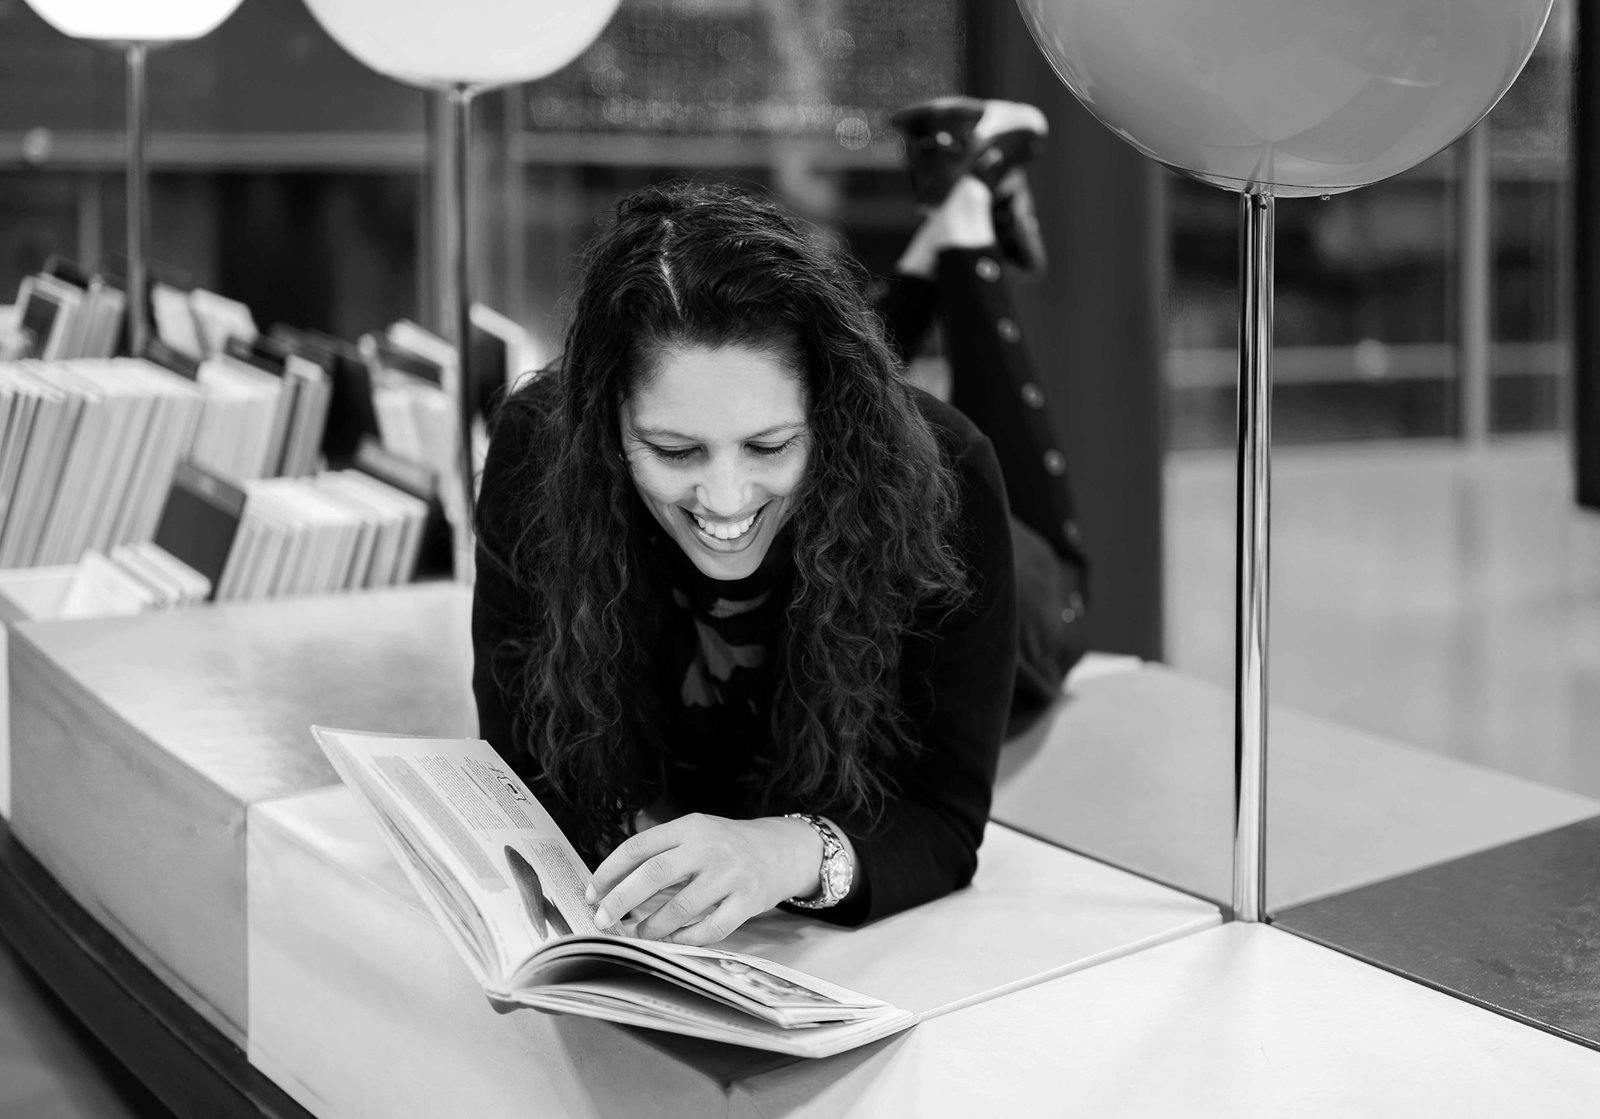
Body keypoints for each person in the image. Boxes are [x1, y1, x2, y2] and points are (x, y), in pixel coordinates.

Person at [472, 98, 1084, 949]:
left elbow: (941, 821)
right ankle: (935, 241)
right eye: (674, 449)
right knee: (839, 364)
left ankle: (966, 228)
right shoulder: (543, 449)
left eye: (768, 445)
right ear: (606, 421)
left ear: (828, 421)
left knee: (1053, 560)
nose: (725, 499)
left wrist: (781, 851)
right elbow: (519, 764)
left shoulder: (947, 478)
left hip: (1012, 586)